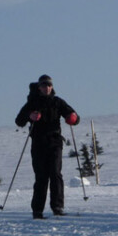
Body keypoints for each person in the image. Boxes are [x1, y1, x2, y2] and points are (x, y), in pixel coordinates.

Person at [15, 74, 79, 219]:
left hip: (55, 142)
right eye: (44, 85)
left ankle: (57, 207)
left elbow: (74, 116)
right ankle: (37, 211)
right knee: (41, 177)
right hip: (38, 144)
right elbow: (19, 121)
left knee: (56, 174)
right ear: (39, 87)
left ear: (52, 87)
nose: (47, 88)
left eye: (49, 85)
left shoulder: (57, 102)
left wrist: (73, 118)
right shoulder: (32, 103)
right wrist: (30, 116)